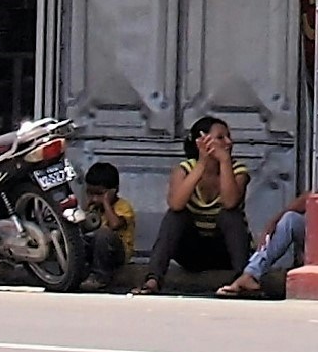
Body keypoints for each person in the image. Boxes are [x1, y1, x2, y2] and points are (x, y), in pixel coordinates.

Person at [127, 114, 251, 294]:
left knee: (229, 215)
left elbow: (230, 202)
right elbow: (176, 204)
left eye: (228, 137)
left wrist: (224, 162)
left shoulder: (238, 171)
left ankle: (242, 279)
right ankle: (153, 279)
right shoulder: (184, 169)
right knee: (175, 215)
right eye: (220, 137)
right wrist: (202, 163)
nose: (229, 143)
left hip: (224, 251)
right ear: (203, 142)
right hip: (192, 252)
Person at [73, 159, 134, 288]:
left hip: (117, 253)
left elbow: (115, 225)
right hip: (96, 251)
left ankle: (100, 277)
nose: (95, 198)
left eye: (99, 194)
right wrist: (85, 210)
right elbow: (81, 229)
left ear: (114, 190)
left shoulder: (123, 207)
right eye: (90, 193)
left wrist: (106, 203)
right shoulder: (92, 208)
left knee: (103, 233)